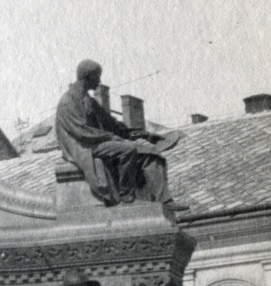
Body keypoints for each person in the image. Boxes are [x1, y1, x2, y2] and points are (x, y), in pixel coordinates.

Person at [55, 59, 179, 214]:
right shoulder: (68, 101)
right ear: (88, 76)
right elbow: (82, 132)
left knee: (150, 152)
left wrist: (141, 134)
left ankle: (165, 201)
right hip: (84, 147)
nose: (99, 81)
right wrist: (113, 138)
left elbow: (114, 126)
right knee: (127, 149)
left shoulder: (89, 101)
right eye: (97, 76)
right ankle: (126, 197)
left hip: (98, 143)